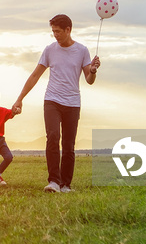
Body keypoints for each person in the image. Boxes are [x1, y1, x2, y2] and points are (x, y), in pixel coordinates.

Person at [12, 14, 100, 193]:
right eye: (53, 32)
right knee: (53, 137)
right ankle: (53, 182)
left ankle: (65, 185)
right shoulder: (50, 50)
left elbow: (89, 80)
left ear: (68, 30)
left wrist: (93, 70)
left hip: (73, 103)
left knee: (69, 145)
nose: (55, 35)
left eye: (58, 31)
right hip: (52, 100)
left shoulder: (82, 51)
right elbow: (35, 75)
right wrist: (20, 98)